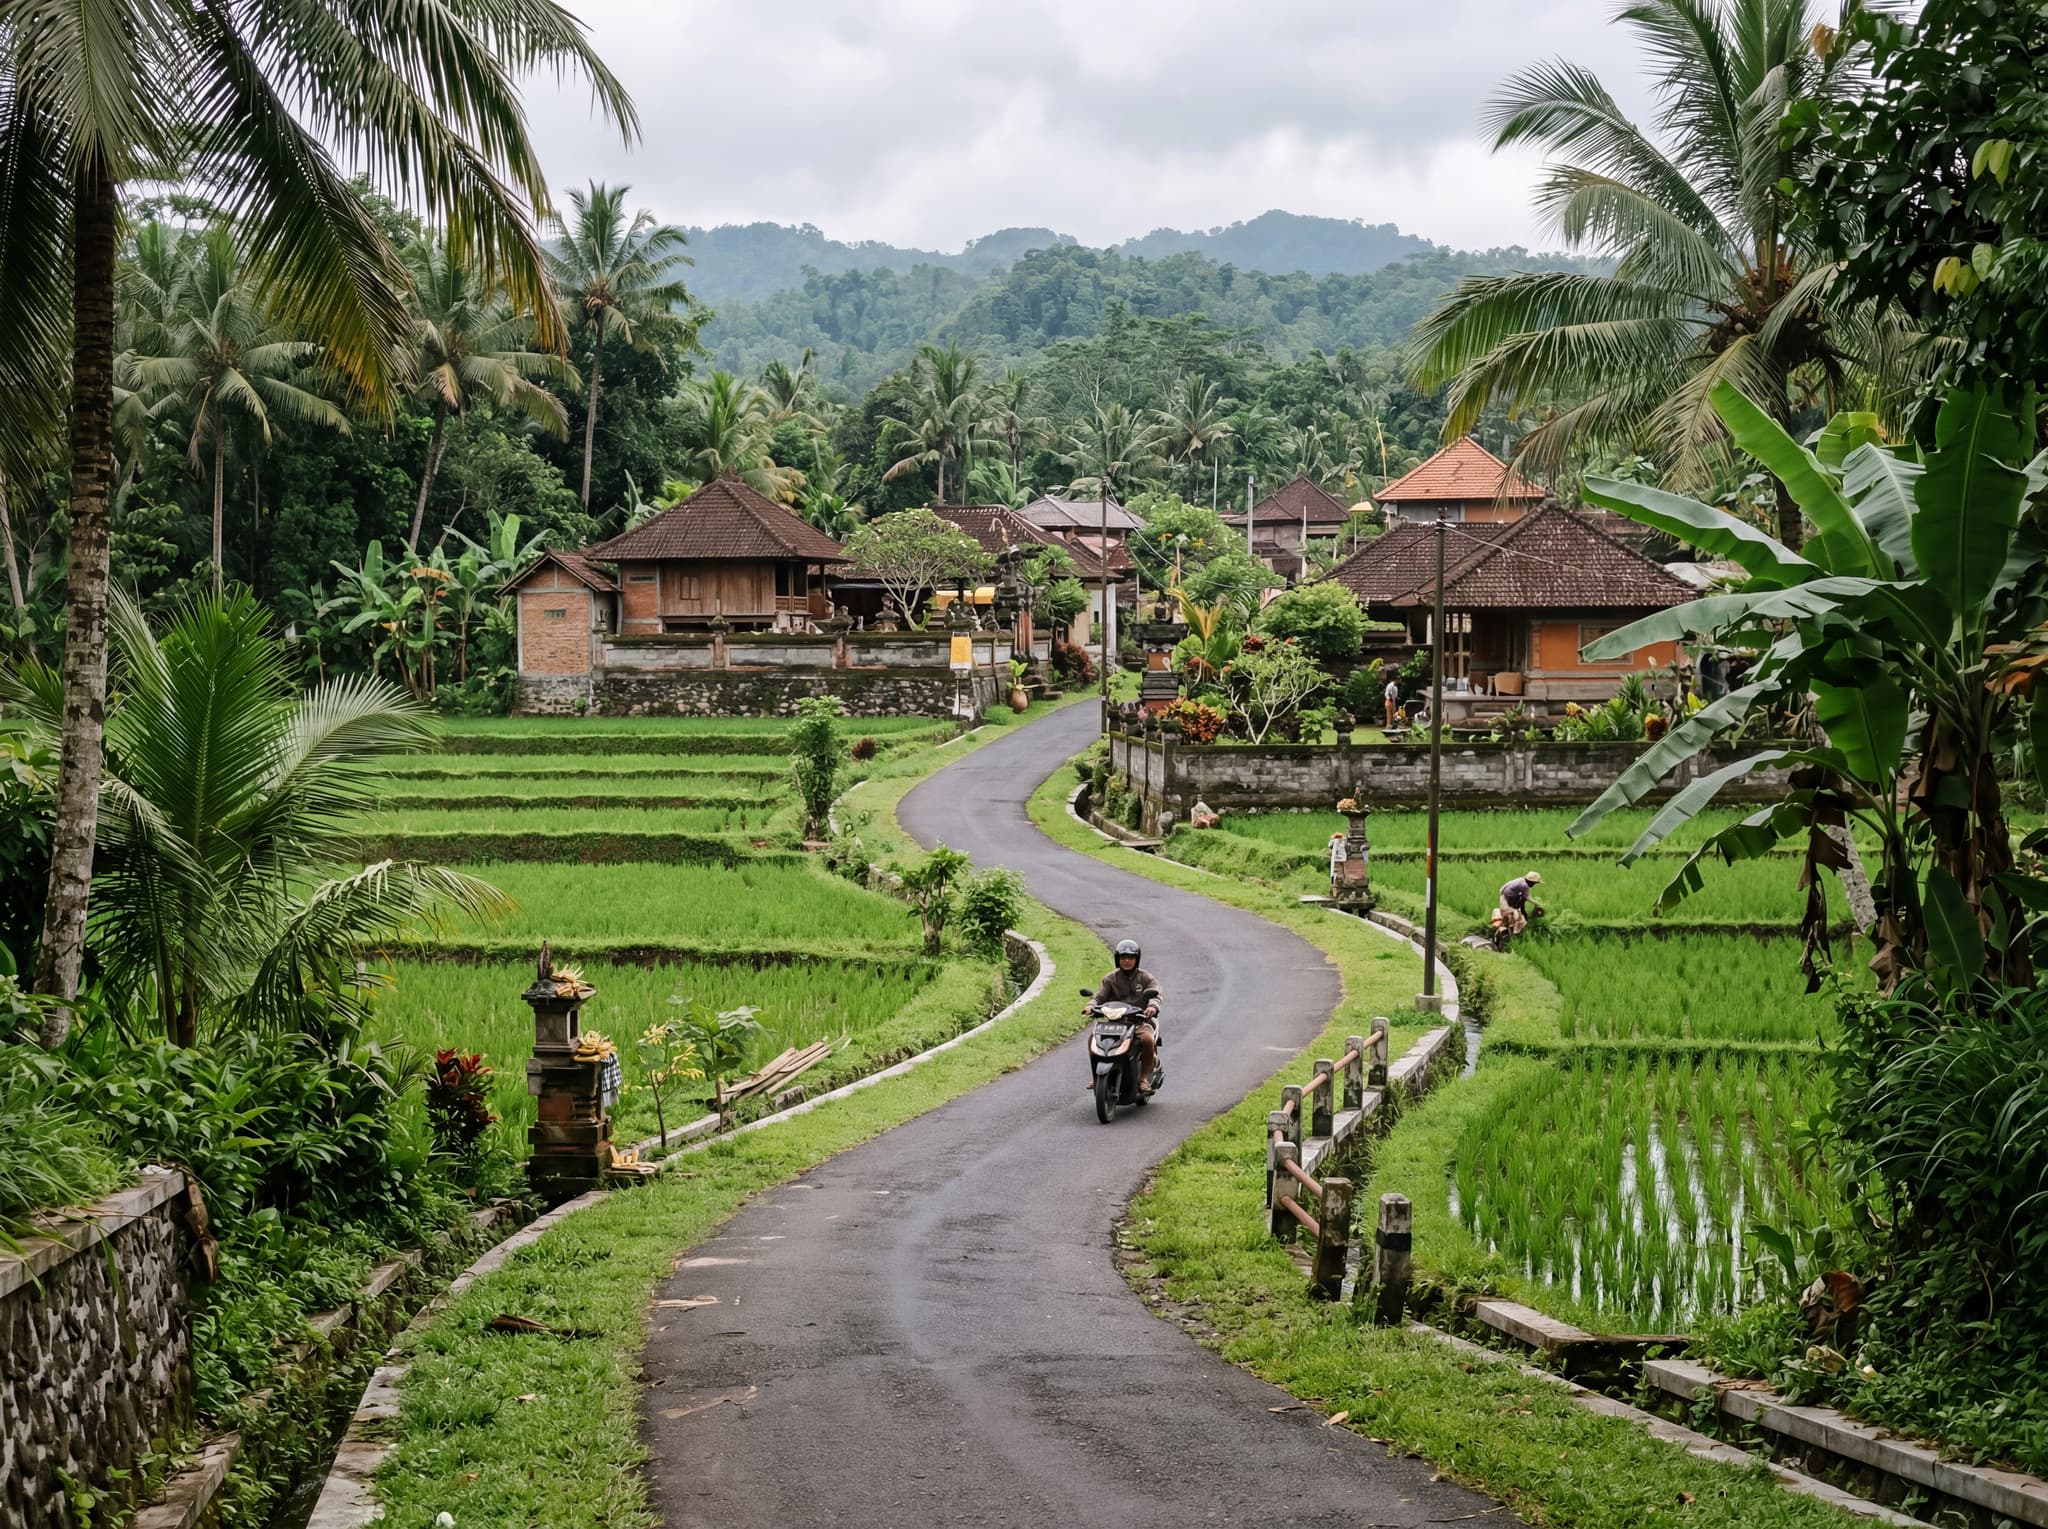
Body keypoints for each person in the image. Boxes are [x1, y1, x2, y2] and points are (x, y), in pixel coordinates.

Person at [1086, 938, 1161, 1094]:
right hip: (1115, 1022)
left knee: (1147, 1039)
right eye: (1123, 957)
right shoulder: (1110, 979)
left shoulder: (1145, 977)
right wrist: (1090, 1006)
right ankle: (1096, 1076)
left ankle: (1143, 1078)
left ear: (1137, 959)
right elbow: (1099, 997)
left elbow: (1156, 992)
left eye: (1131, 958)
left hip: (1139, 1022)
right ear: (1117, 959)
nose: (1127, 961)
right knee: (1093, 1039)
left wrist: (1152, 1007)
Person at [1498, 870, 1543, 935]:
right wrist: (1537, 903)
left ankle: (1510, 929)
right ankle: (1514, 933)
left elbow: (1506, 885)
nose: (1534, 885)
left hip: (1505, 896)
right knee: (1517, 919)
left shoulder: (1521, 879)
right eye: (1534, 883)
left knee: (1516, 913)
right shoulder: (1524, 885)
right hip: (1508, 899)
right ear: (1531, 881)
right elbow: (1527, 897)